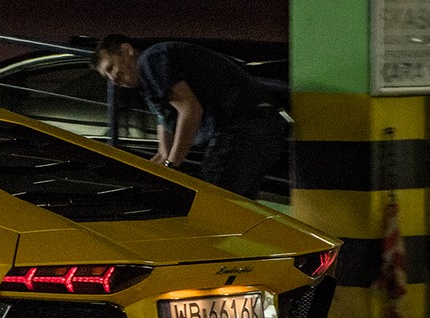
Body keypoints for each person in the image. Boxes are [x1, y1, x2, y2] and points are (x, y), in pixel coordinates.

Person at [92, 34, 285, 200]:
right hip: (258, 127)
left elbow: (190, 110)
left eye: (110, 68)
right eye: (106, 77)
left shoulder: (151, 61)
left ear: (127, 50)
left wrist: (172, 166)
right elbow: (164, 144)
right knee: (232, 210)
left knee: (210, 205)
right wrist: (154, 171)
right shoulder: (149, 80)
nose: (113, 80)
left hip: (242, 128)